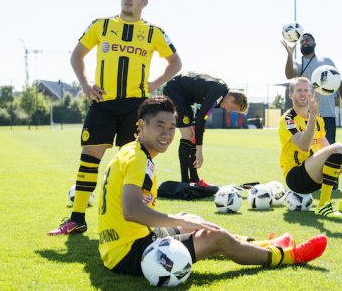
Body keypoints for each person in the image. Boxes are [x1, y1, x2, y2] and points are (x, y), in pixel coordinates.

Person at [98, 95, 328, 276]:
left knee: (193, 221)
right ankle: (288, 256)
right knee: (214, 237)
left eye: (171, 127)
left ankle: (263, 244)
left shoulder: (132, 151)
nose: (167, 134)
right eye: (160, 126)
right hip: (130, 253)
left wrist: (182, 219)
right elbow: (132, 211)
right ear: (141, 125)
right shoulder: (138, 159)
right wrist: (179, 221)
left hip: (122, 244)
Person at [48, 0, 182, 236]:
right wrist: (86, 85)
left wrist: (155, 82)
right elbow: (77, 55)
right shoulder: (101, 25)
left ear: (145, 1)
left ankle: (137, 220)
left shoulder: (153, 32)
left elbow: (175, 62)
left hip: (136, 107)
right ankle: (77, 219)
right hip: (103, 104)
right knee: (89, 160)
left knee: (135, 162)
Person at [278, 77, 342, 217]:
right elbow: (304, 146)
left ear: (310, 94)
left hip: (313, 174)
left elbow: (329, 150)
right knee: (338, 147)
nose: (303, 94)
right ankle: (323, 204)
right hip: (296, 177)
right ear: (291, 95)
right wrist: (312, 117)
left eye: (306, 90)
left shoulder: (317, 119)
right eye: (299, 90)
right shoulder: (288, 119)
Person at [282, 33, 342, 190]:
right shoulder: (298, 63)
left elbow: (338, 82)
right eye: (302, 40)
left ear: (315, 43)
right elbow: (289, 74)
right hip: (307, 116)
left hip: (327, 114)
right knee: (310, 149)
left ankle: (332, 185)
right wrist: (289, 55)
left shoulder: (326, 61)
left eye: (308, 39)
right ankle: (313, 182)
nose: (304, 42)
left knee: (332, 149)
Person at [163, 72, 248, 185]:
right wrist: (199, 151)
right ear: (231, 98)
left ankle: (194, 178)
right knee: (188, 134)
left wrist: (198, 132)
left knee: (192, 134)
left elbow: (201, 117)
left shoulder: (221, 94)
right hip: (174, 90)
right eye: (231, 108)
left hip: (185, 97)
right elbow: (200, 120)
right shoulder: (217, 94)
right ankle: (184, 181)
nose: (228, 111)